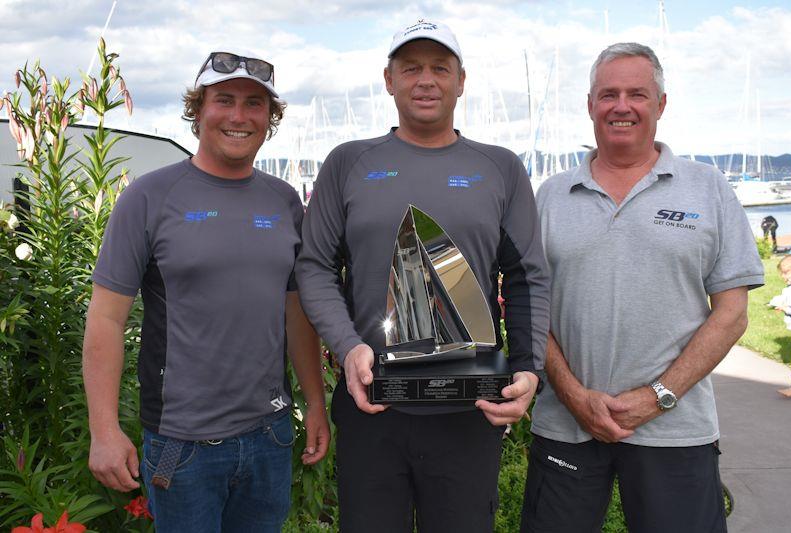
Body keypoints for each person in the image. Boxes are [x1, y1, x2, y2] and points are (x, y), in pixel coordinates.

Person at [295, 20, 550, 532]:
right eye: (411, 68)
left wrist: (529, 368)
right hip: (371, 404)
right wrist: (348, 348)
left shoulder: (500, 167)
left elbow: (527, 277)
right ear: (389, 80)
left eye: (440, 68)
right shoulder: (349, 162)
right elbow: (316, 267)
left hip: (471, 408)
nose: (426, 80)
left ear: (461, 80)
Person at [82, 48, 330, 532]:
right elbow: (106, 319)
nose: (239, 116)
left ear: (270, 118)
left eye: (255, 104)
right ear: (197, 110)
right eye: (225, 100)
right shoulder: (149, 198)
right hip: (182, 445)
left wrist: (315, 403)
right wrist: (103, 430)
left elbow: (296, 312)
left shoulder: (283, 201)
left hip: (271, 437)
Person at [524, 42, 764, 533]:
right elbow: (530, 310)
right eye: (608, 94)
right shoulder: (550, 196)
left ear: (661, 104)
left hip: (676, 430)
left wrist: (657, 398)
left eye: (637, 93)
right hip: (566, 427)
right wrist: (573, 395)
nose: (621, 106)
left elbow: (732, 314)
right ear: (590, 105)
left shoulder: (708, 187)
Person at [768, 254, 791, 398]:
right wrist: (775, 302)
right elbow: (784, 297)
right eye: (782, 272)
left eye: (786, 272)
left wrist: (786, 309)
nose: (782, 275)